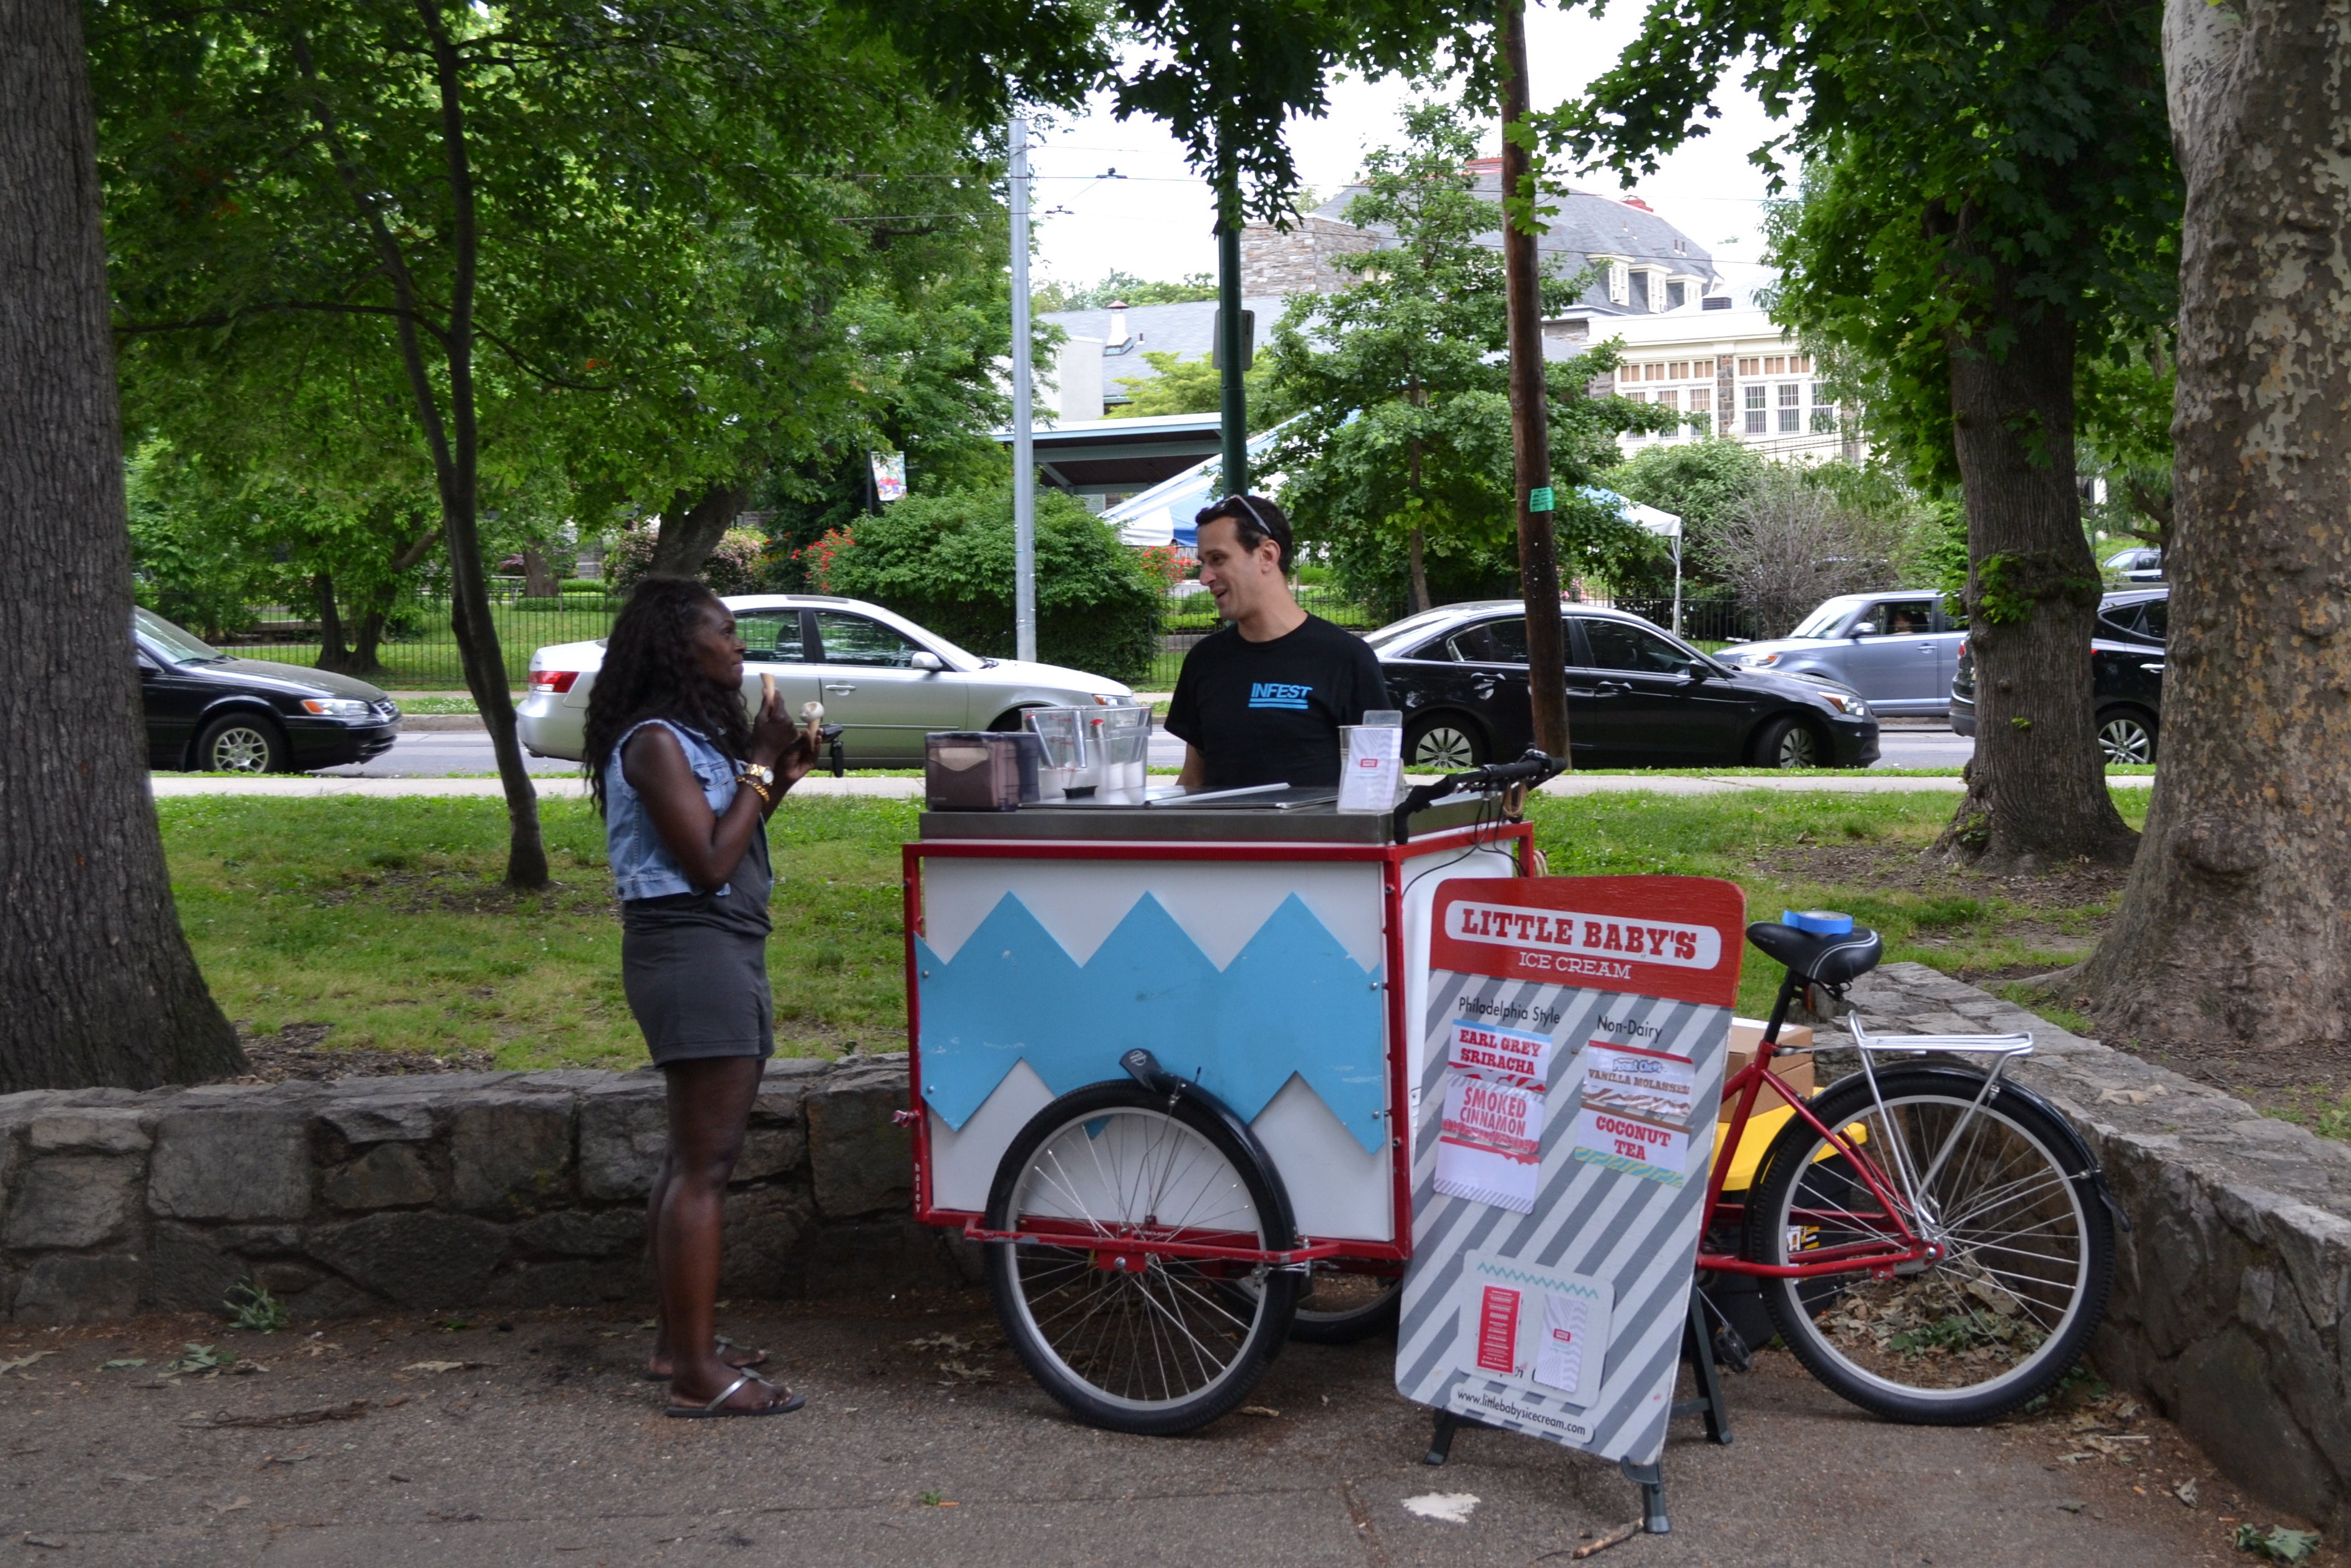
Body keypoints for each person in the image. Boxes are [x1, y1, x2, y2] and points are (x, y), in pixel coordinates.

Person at [583, 577, 818, 1418]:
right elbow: (708, 863)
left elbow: (730, 831)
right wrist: (759, 755)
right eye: (724, 631)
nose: (737, 644)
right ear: (683, 646)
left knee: (691, 1159)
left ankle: (674, 1343)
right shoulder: (653, 742)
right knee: (705, 1164)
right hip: (690, 947)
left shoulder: (684, 737)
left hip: (716, 945)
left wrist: (777, 775)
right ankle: (694, 1372)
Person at [1165, 494, 1390, 790]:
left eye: (1218, 559)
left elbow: (1379, 782)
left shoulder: (1345, 657)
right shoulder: (1204, 660)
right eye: (1203, 563)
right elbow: (1193, 779)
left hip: (1314, 837)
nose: (1205, 577)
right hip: (1220, 836)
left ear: (1267, 555)